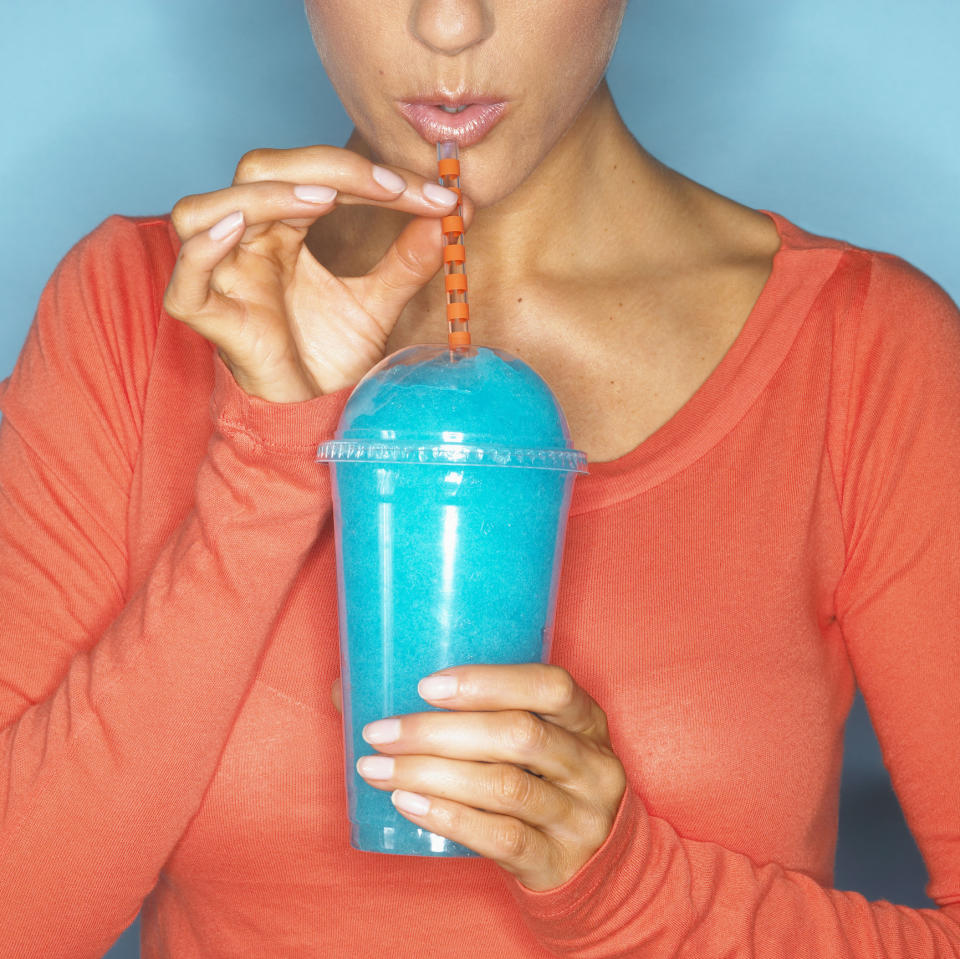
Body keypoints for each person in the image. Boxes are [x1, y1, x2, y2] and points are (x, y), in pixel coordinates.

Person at [1, 1, 958, 956]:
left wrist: (627, 890)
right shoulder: (136, 313)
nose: (450, 26)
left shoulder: (863, 352)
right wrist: (266, 456)